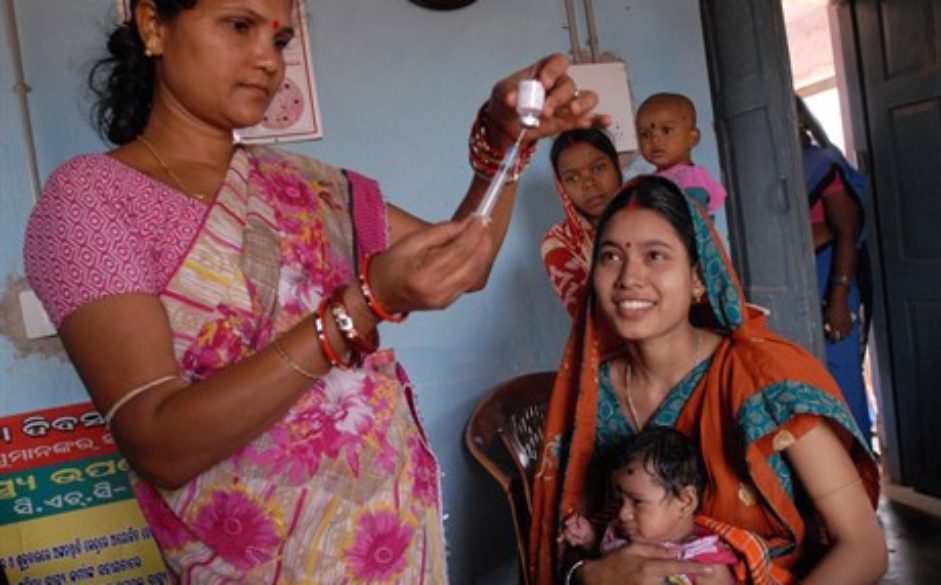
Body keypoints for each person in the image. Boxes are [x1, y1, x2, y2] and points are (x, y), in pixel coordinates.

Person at [21, 0, 606, 581]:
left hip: (397, 553)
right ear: (154, 26)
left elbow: (462, 266)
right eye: (239, 26)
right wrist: (362, 306)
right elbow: (158, 443)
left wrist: (504, 148)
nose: (267, 60)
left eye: (278, 40)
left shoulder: (307, 185)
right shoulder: (91, 202)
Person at [529, 176, 886, 585]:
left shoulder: (764, 381)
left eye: (656, 256)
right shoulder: (590, 395)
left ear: (698, 278)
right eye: (610, 257)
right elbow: (569, 547)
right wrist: (587, 575)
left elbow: (864, 547)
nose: (629, 277)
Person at [560, 426, 738, 585]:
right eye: (620, 500)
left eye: (637, 502)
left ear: (686, 502)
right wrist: (589, 539)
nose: (623, 513)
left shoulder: (706, 566)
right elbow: (605, 557)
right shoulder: (620, 533)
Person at [796, 97, 873, 442]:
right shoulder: (773, 169)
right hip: (796, 284)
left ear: (800, 120)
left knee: (843, 381)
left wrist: (839, 299)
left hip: (832, 278)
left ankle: (858, 474)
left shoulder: (821, 163)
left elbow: (846, 232)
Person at [541, 128, 625, 317]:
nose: (588, 183)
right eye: (573, 178)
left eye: (598, 168)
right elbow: (589, 317)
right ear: (561, 186)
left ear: (617, 166)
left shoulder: (652, 217)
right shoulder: (560, 241)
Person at [635, 93, 727, 220]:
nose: (654, 140)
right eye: (645, 135)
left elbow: (696, 226)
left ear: (693, 138)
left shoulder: (690, 179)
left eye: (666, 130)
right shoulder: (651, 180)